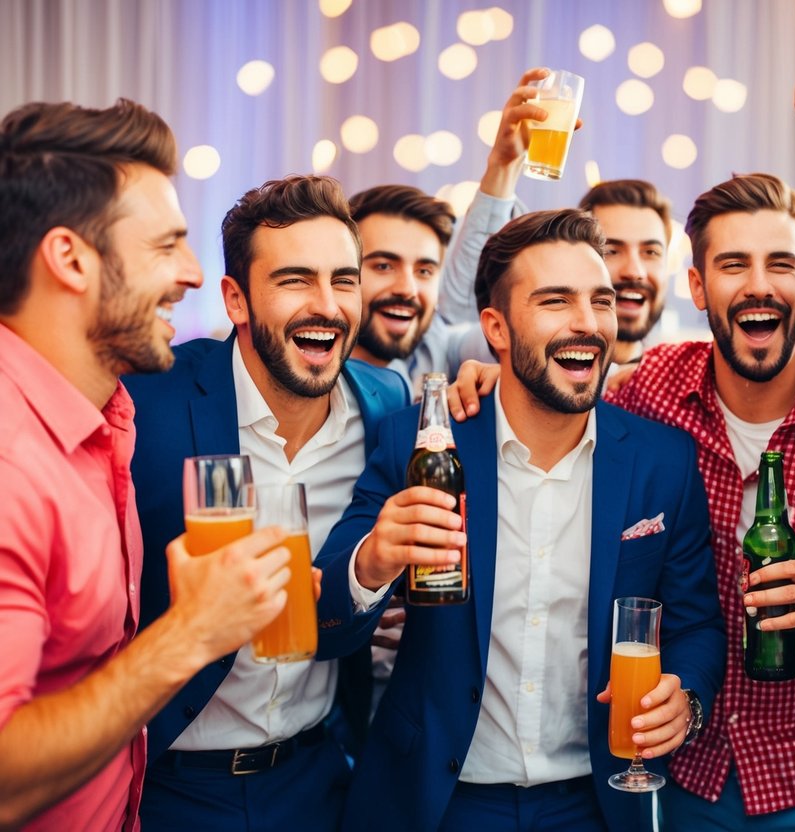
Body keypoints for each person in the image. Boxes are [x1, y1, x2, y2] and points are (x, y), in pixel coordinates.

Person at [451, 173, 795, 830]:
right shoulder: (647, 393)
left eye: (780, 264)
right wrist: (489, 378)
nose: (759, 284)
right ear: (699, 287)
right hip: (681, 776)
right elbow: (554, 390)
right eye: (734, 264)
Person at [313, 208, 726, 831]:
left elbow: (697, 626)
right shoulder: (418, 443)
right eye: (555, 301)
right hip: (433, 799)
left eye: (601, 301)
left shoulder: (662, 462)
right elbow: (328, 625)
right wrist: (372, 560)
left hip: (596, 802)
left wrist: (687, 699)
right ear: (496, 330)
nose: (587, 325)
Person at [0, 98, 292, 831]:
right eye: (166, 246)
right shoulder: (10, 463)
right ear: (70, 258)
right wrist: (192, 631)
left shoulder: (111, 419)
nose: (194, 274)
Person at [123, 175, 408, 832]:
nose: (326, 305)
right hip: (169, 786)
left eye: (343, 279)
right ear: (236, 299)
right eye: (294, 280)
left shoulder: (387, 402)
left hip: (317, 779)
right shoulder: (148, 400)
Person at [440, 68, 676, 369]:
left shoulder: (675, 387)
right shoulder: (518, 357)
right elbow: (459, 318)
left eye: (651, 252)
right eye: (612, 250)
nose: (635, 271)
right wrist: (503, 166)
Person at [348, 183, 494, 399]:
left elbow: (510, 338)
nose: (408, 290)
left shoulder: (436, 346)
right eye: (384, 266)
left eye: (424, 271)